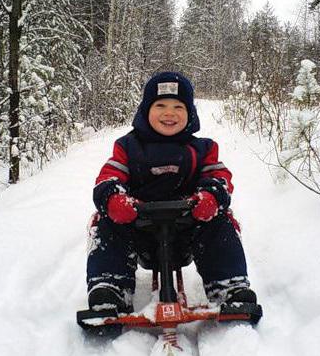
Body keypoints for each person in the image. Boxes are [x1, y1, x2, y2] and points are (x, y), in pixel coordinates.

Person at [87, 72, 257, 313]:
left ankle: (228, 286)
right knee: (105, 221)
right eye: (160, 105)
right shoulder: (128, 147)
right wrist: (114, 199)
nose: (169, 113)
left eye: (179, 106)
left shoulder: (202, 148)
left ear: (190, 113)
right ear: (146, 110)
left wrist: (210, 197)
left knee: (221, 221)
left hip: (188, 228)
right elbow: (108, 176)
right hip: (138, 227)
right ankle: (110, 286)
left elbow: (219, 177)